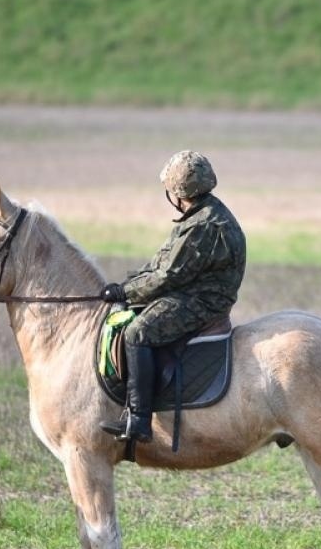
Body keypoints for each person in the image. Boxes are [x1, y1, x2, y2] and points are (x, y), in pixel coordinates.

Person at [99, 151, 247, 444]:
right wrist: (129, 284)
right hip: (194, 290)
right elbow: (160, 264)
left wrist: (125, 292)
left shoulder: (203, 226)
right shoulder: (202, 213)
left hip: (202, 301)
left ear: (179, 193)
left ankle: (139, 421)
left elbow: (168, 276)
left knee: (137, 332)